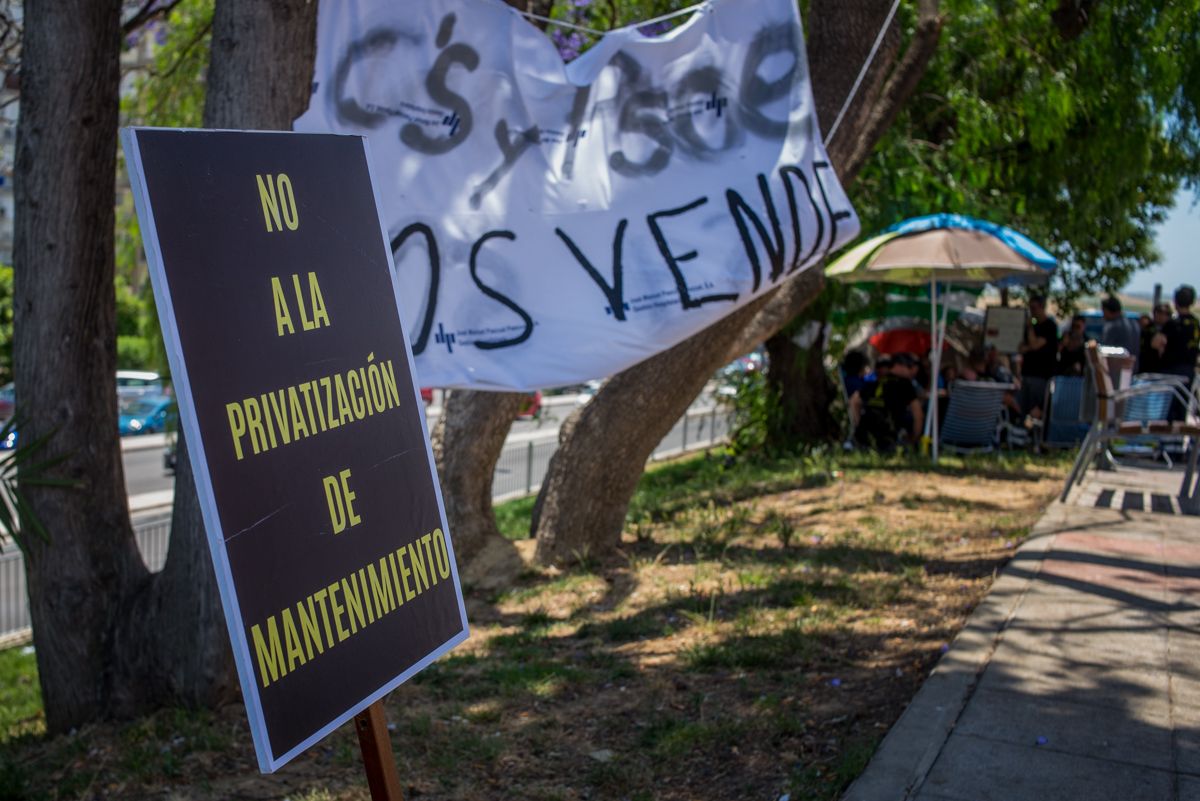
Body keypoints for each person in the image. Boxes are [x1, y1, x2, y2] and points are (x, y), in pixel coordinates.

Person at [855, 353, 924, 452]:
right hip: (888, 437)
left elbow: (854, 401)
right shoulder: (904, 383)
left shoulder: (876, 381)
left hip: (864, 435)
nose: (911, 372)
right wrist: (914, 439)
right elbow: (918, 414)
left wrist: (858, 423)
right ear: (899, 365)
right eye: (909, 367)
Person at [1159, 284, 1199, 420]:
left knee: (1168, 408)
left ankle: (1168, 438)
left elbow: (1157, 342)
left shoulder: (1172, 324)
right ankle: (1178, 437)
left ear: (1175, 301)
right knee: (1183, 406)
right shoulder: (1195, 323)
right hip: (1189, 370)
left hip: (1171, 369)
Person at [1017, 294, 1057, 419]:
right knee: (1024, 408)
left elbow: (1034, 345)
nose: (1031, 311)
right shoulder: (1033, 327)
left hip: (1041, 375)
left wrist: (1029, 328)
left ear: (1041, 307)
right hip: (1027, 373)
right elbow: (1021, 348)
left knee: (1036, 410)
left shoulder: (1049, 326)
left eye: (1034, 308)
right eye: (1030, 308)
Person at [1100, 295, 1141, 370]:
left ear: (1107, 310)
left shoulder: (1112, 326)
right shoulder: (1134, 323)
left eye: (1103, 311)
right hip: (1133, 369)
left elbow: (1104, 351)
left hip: (1116, 372)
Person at [1140, 303, 1172, 375]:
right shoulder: (1148, 328)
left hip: (1161, 369)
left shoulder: (1170, 330)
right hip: (1146, 365)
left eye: (1166, 314)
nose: (1162, 316)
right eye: (1159, 312)